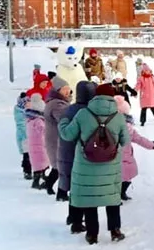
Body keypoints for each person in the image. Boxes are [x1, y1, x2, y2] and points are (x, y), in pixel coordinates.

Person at [58, 84, 130, 245]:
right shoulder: (118, 116)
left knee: (89, 198)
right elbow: (125, 141)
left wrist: (63, 122)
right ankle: (115, 231)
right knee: (112, 198)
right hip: (110, 165)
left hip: (86, 165)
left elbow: (67, 135)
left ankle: (92, 234)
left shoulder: (83, 114)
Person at [58, 81, 97, 233]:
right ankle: (78, 222)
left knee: (74, 187)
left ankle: (72, 217)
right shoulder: (91, 112)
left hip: (67, 152)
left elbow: (64, 131)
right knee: (84, 189)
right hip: (86, 155)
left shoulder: (69, 110)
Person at [115, 96, 154, 201]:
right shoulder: (125, 127)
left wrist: (152, 145)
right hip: (121, 156)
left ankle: (120, 194)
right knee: (123, 177)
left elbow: (138, 138)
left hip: (120, 156)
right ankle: (117, 196)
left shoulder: (125, 127)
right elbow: (139, 139)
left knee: (124, 177)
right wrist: (152, 145)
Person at [44, 76, 72, 198]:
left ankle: (50, 186)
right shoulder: (57, 104)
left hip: (55, 138)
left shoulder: (57, 102)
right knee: (61, 166)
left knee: (58, 166)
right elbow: (64, 119)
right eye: (64, 89)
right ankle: (61, 193)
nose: (68, 92)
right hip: (57, 140)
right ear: (57, 91)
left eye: (69, 89)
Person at [26, 93, 49, 190]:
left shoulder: (29, 119)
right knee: (41, 162)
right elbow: (43, 131)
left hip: (33, 145)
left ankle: (41, 176)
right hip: (40, 145)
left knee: (38, 163)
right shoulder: (39, 121)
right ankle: (36, 181)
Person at [14, 91, 31, 180]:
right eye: (27, 103)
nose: (29, 105)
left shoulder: (27, 111)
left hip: (29, 136)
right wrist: (27, 134)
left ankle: (28, 168)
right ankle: (27, 171)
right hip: (24, 137)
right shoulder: (19, 113)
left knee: (29, 154)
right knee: (27, 154)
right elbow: (21, 125)